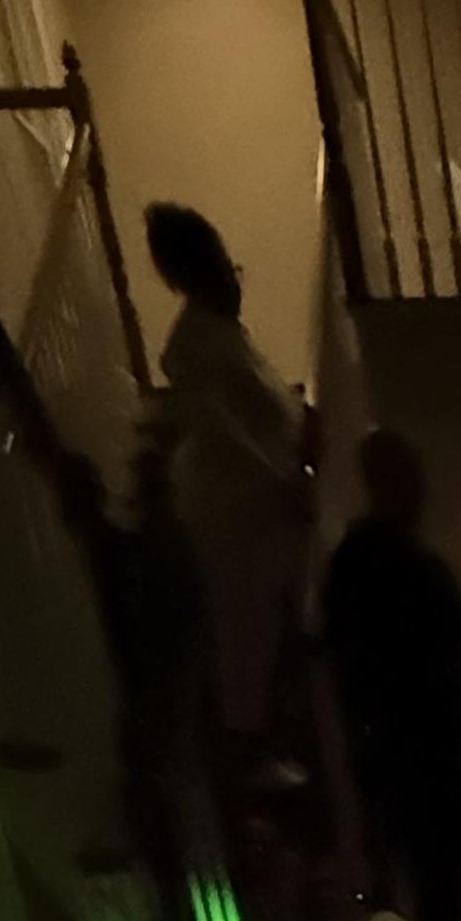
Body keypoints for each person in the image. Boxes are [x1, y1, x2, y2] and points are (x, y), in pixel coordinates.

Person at [322, 428, 461, 921]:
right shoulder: (390, 565)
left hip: (400, 757)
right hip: (415, 757)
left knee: (433, 896)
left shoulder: (367, 563)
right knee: (435, 897)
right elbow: (450, 647)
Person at [140, 200, 308, 747]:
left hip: (260, 506)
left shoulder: (222, 334)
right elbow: (221, 430)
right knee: (249, 634)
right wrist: (279, 482)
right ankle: (252, 741)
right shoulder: (192, 347)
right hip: (242, 513)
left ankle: (260, 733)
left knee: (262, 630)